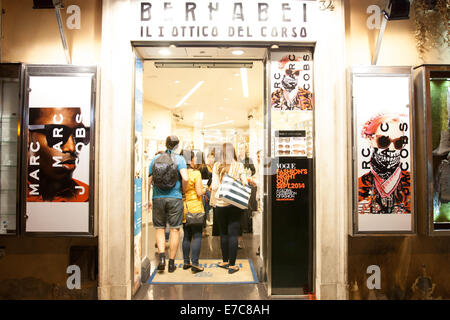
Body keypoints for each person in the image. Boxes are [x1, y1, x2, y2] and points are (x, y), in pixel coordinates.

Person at [27, 107, 90, 202]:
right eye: (58, 134)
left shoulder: (88, 197)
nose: (72, 148)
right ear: (27, 137)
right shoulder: (13, 196)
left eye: (78, 134)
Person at [148, 136, 188, 273]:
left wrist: (148, 198)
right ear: (177, 146)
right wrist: (183, 190)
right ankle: (171, 263)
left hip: (157, 198)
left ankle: (162, 259)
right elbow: (186, 178)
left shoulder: (156, 158)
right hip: (175, 198)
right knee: (175, 229)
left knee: (159, 228)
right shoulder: (180, 159)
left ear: (166, 144)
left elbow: (148, 181)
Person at [358, 114, 411, 214]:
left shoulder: (414, 184)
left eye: (398, 143)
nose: (391, 148)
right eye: (383, 141)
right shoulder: (359, 186)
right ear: (370, 140)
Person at [211, 143, 247, 274]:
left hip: (220, 204)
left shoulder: (216, 166)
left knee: (223, 233)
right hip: (235, 204)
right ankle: (232, 265)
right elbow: (245, 184)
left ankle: (225, 260)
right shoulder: (239, 165)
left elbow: (214, 186)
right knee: (233, 234)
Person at [181, 150, 207, 273]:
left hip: (183, 207)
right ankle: (195, 264)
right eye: (194, 158)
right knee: (197, 235)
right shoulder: (196, 173)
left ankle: (186, 262)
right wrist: (205, 188)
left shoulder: (180, 173)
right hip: (195, 207)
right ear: (190, 160)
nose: (196, 161)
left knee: (186, 235)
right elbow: (198, 192)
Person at [237, 143, 255, 248]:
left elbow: (253, 170)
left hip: (247, 183)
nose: (241, 150)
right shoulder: (237, 160)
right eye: (239, 148)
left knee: (246, 205)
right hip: (238, 184)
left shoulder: (249, 160)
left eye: (242, 148)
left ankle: (246, 226)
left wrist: (249, 174)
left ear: (245, 149)